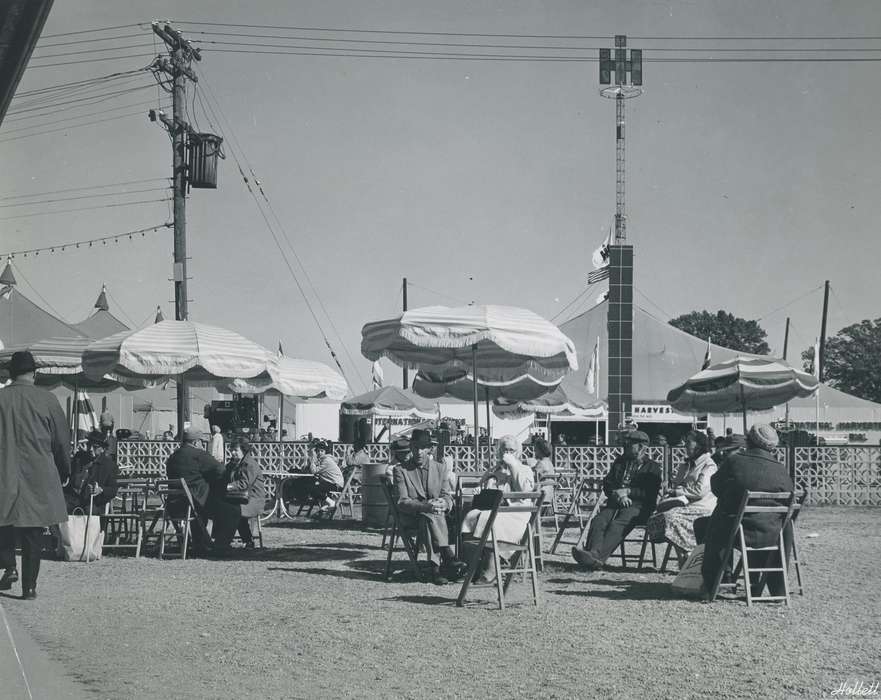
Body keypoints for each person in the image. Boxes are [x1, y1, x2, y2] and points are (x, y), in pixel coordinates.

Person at [0, 351, 71, 600]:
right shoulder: (48, 400)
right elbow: (62, 442)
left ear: (9, 373)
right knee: (33, 531)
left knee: (3, 520)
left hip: (3, 471)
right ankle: (29, 587)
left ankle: (8, 567)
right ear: (34, 372)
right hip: (38, 474)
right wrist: (65, 471)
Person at [694, 423, 793, 599]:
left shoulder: (735, 461)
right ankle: (770, 585)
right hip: (774, 533)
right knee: (723, 519)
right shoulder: (780, 468)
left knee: (705, 524)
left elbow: (716, 487)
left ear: (749, 440)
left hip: (741, 531)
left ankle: (718, 581)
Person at [572, 430, 662, 570]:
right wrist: (616, 493)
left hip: (639, 508)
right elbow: (607, 483)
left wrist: (628, 492)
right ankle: (593, 553)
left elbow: (650, 493)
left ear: (641, 447)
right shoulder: (620, 461)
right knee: (599, 520)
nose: (625, 447)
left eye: (629, 444)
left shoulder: (653, 467)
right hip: (616, 503)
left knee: (617, 524)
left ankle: (597, 559)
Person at [393, 429, 465, 584]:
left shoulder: (440, 468)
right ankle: (447, 556)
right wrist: (426, 506)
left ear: (429, 449)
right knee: (429, 514)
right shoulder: (401, 470)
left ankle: (435, 568)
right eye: (415, 447)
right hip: (411, 516)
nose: (419, 451)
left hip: (434, 518)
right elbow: (402, 502)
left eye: (423, 447)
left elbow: (447, 495)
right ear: (410, 447)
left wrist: (444, 503)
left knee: (429, 518)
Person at [461, 435, 536, 583]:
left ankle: (492, 566)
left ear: (518, 453)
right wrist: (479, 489)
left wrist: (513, 466)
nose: (507, 453)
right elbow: (482, 489)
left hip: (516, 514)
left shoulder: (524, 469)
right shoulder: (494, 470)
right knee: (470, 515)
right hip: (494, 511)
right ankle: (473, 565)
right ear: (499, 451)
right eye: (504, 450)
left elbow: (523, 491)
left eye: (511, 450)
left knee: (489, 519)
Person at [165, 429, 240, 555]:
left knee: (202, 510)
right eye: (201, 442)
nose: (202, 445)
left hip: (175, 504)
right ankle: (220, 546)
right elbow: (220, 470)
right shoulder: (198, 455)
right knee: (232, 509)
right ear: (195, 442)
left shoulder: (173, 457)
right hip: (196, 503)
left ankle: (199, 543)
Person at [645, 430, 716, 554]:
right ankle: (682, 554)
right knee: (655, 519)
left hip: (701, 508)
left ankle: (688, 553)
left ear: (699, 445)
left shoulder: (708, 465)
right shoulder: (685, 465)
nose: (685, 445)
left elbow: (699, 491)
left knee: (669, 518)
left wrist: (676, 492)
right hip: (683, 506)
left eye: (689, 442)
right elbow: (678, 484)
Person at [65, 430, 119, 514]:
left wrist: (101, 490)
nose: (90, 449)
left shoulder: (109, 465)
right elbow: (68, 475)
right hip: (74, 500)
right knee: (59, 506)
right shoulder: (80, 458)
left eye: (95, 447)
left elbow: (113, 490)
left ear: (102, 449)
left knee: (89, 510)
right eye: (89, 445)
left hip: (94, 502)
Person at [224, 439, 265, 549]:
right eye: (231, 450)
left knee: (233, 510)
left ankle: (242, 541)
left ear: (243, 450)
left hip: (253, 499)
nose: (232, 452)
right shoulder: (232, 464)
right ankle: (222, 541)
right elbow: (224, 477)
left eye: (235, 450)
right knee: (222, 507)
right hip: (239, 497)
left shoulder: (250, 464)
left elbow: (244, 483)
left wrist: (227, 486)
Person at [309, 438, 344, 515]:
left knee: (313, 488)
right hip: (332, 482)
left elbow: (314, 471)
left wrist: (312, 458)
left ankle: (331, 503)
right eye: (317, 451)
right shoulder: (324, 459)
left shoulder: (326, 460)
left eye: (322, 451)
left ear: (325, 452)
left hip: (335, 484)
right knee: (312, 485)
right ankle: (325, 507)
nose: (319, 453)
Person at [531, 437, 555, 508]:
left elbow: (532, 478)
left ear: (540, 450)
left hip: (541, 494)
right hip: (550, 493)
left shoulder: (541, 464)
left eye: (536, 450)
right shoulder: (549, 463)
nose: (534, 452)